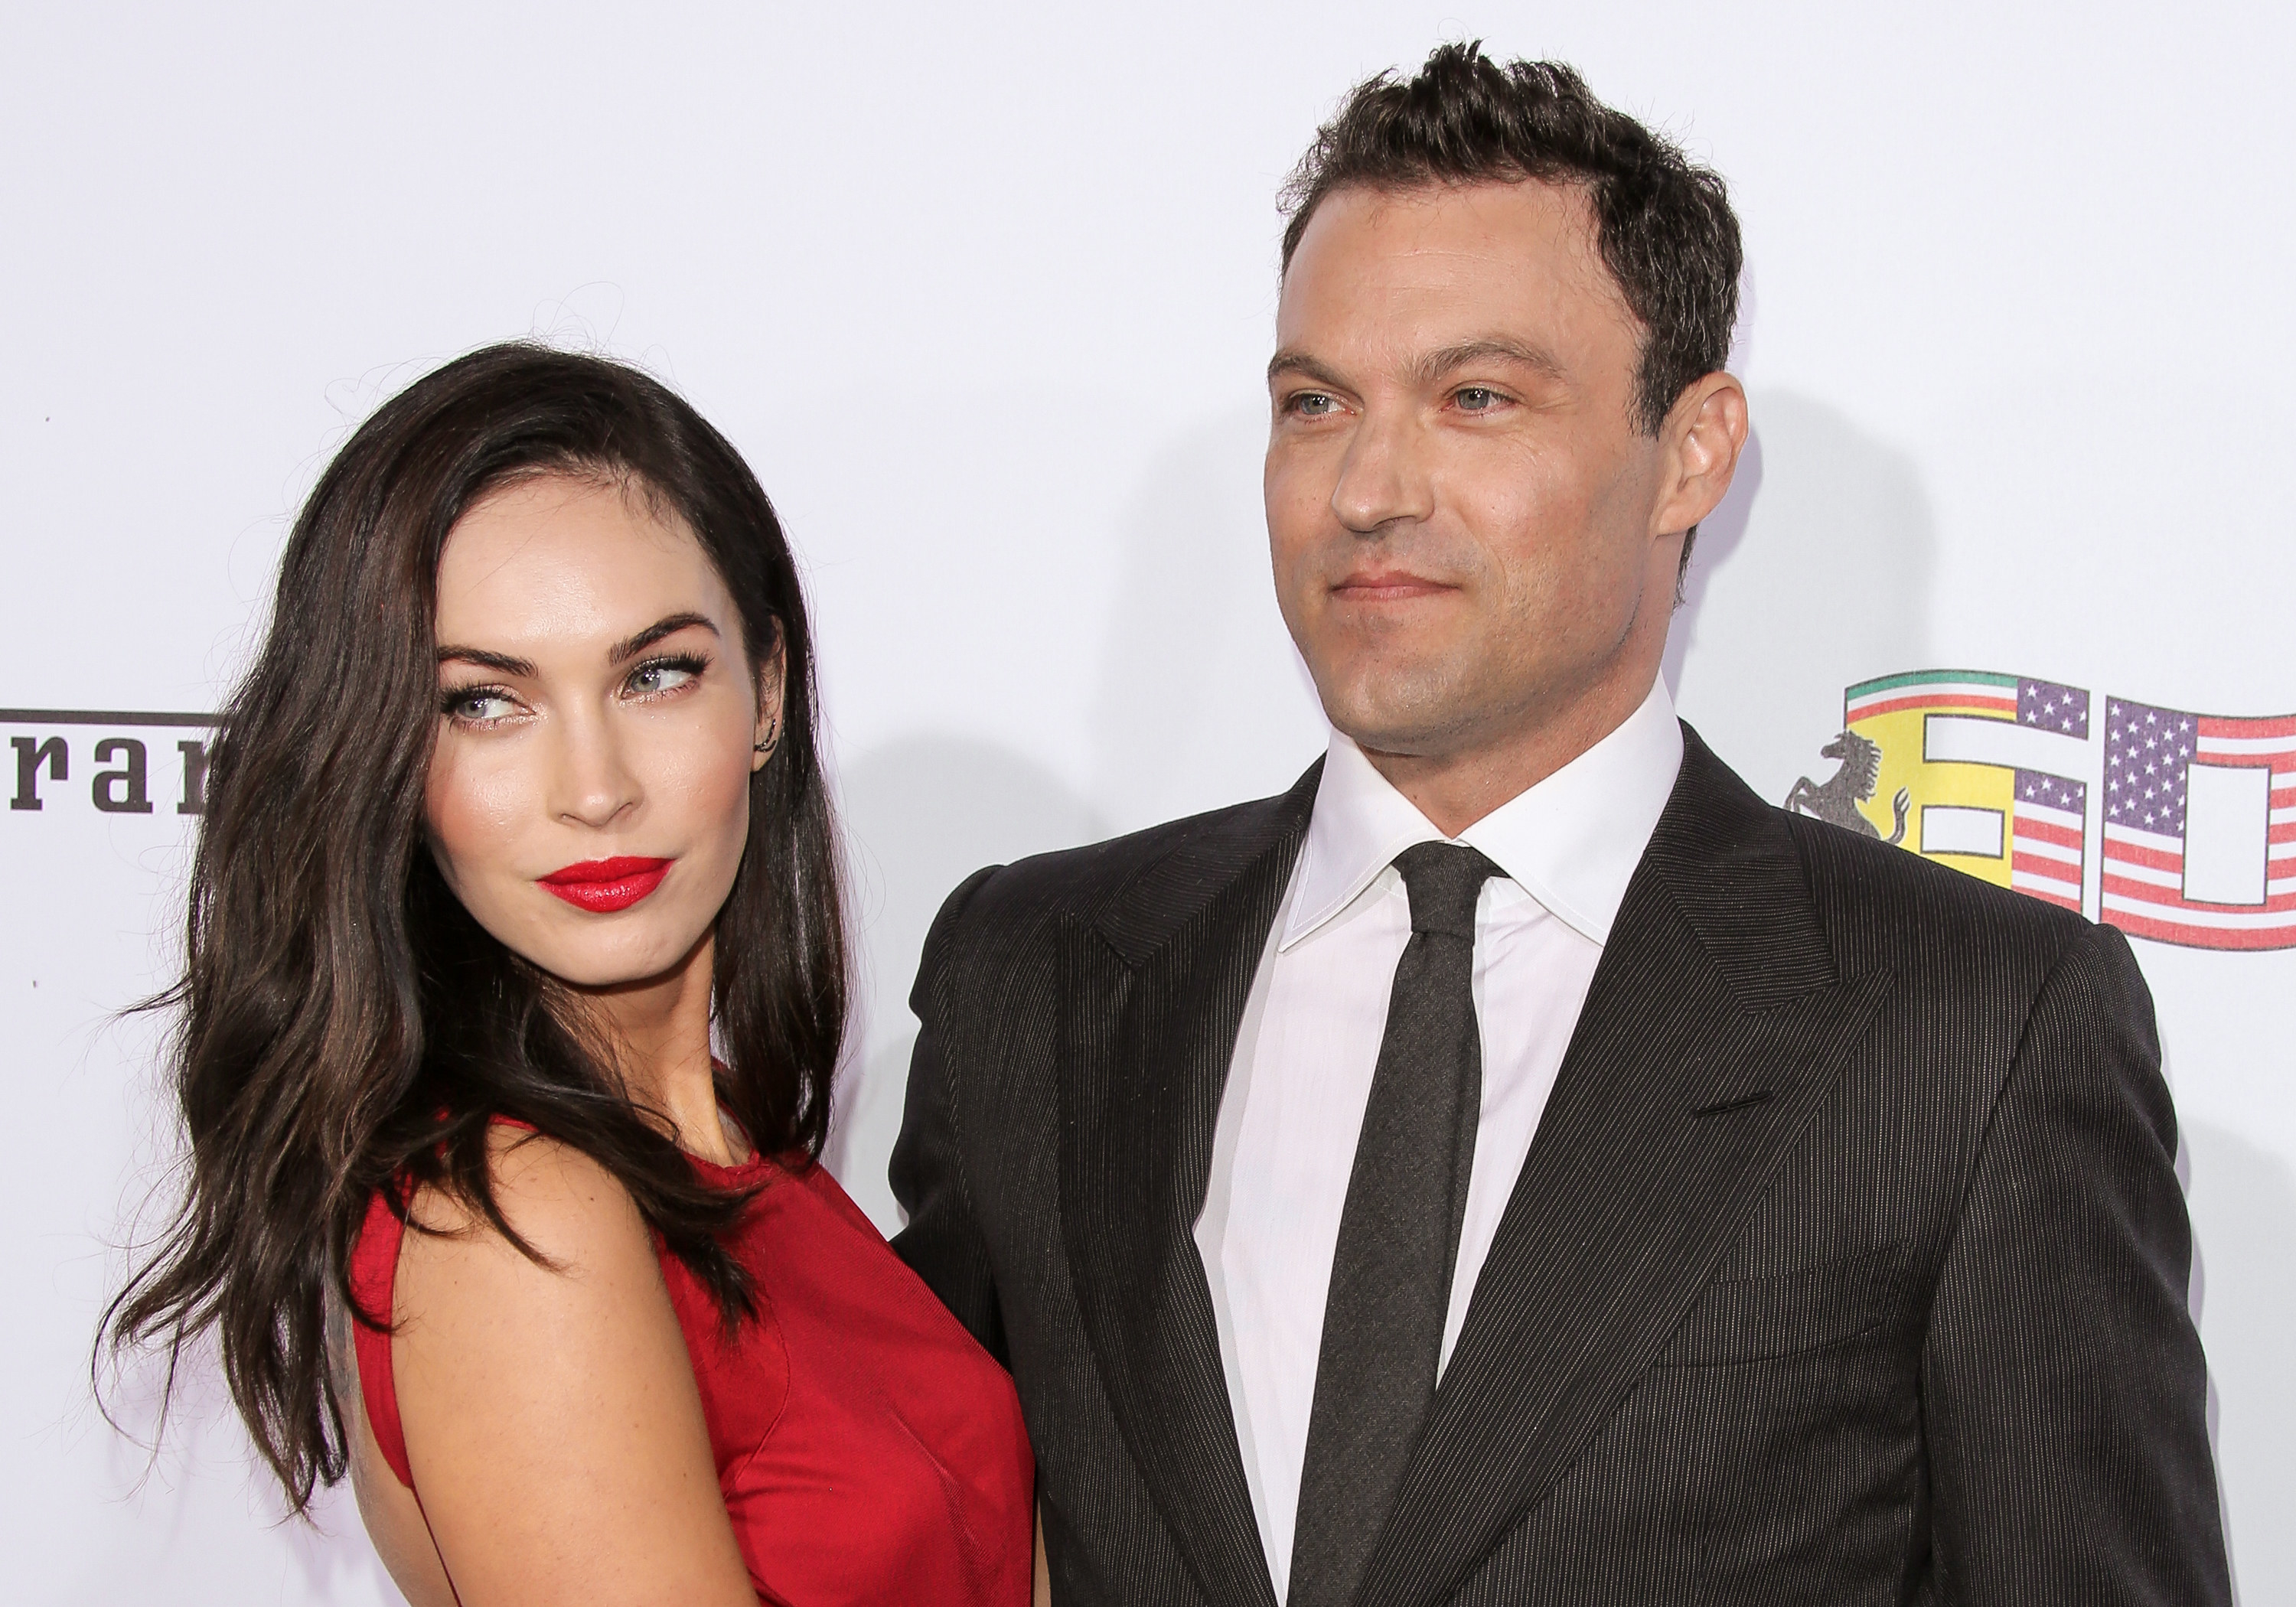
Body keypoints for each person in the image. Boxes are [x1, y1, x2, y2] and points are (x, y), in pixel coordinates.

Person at [891, 44, 2230, 1607]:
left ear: (1694, 454)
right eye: (1316, 402)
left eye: (1477, 397)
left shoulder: (1975, 1032)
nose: (1370, 487)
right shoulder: (1033, 970)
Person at [103, 344, 1036, 1606]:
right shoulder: (515, 1211)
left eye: (656, 675)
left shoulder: (745, 1158)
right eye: (485, 703)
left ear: (764, 692)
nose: (595, 789)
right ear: (386, 752)